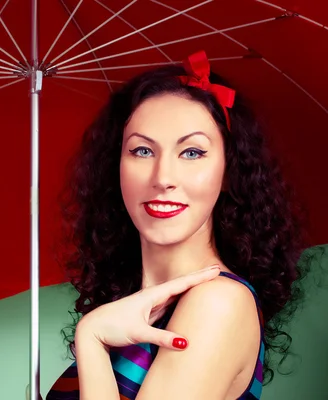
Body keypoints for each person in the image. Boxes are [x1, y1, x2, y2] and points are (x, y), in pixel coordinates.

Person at [43, 50, 308, 399]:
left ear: (229, 172)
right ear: (116, 167)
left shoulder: (218, 303)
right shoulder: (130, 310)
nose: (163, 177)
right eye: (141, 151)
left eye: (192, 152)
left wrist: (91, 337)